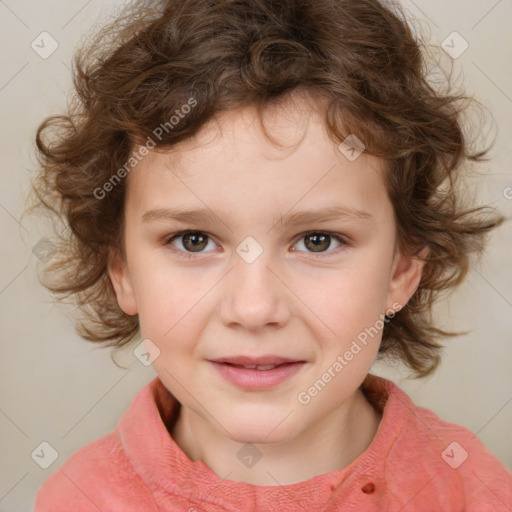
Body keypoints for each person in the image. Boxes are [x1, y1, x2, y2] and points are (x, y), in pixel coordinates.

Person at [31, 0, 512, 510]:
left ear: (401, 269)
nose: (255, 308)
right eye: (194, 240)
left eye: (318, 240)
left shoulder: (472, 489)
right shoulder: (80, 498)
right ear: (122, 270)